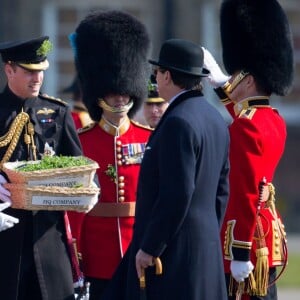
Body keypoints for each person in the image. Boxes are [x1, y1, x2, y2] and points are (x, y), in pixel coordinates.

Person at [103, 38, 230, 300]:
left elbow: (177, 193)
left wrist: (151, 246)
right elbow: (222, 189)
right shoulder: (214, 117)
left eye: (158, 72)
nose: (156, 77)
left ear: (168, 76)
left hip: (175, 251)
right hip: (204, 246)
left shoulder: (178, 122)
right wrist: (205, 232)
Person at [203, 0, 293, 299]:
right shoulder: (273, 120)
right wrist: (220, 85)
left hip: (249, 241)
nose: (231, 80)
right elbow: (244, 119)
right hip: (267, 233)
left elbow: (245, 192)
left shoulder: (247, 126)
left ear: (249, 79)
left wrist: (240, 250)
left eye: (236, 75)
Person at [67, 10, 152, 300]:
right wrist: (75, 254)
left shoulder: (148, 138)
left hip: (137, 249)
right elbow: (74, 207)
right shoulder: (81, 142)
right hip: (95, 255)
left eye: (125, 91)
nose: (120, 97)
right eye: (113, 91)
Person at [0, 36, 83, 299]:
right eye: (29, 72)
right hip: (5, 239)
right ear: (9, 69)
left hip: (47, 240)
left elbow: (79, 169)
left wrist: (84, 191)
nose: (37, 79)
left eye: (41, 72)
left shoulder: (56, 112)